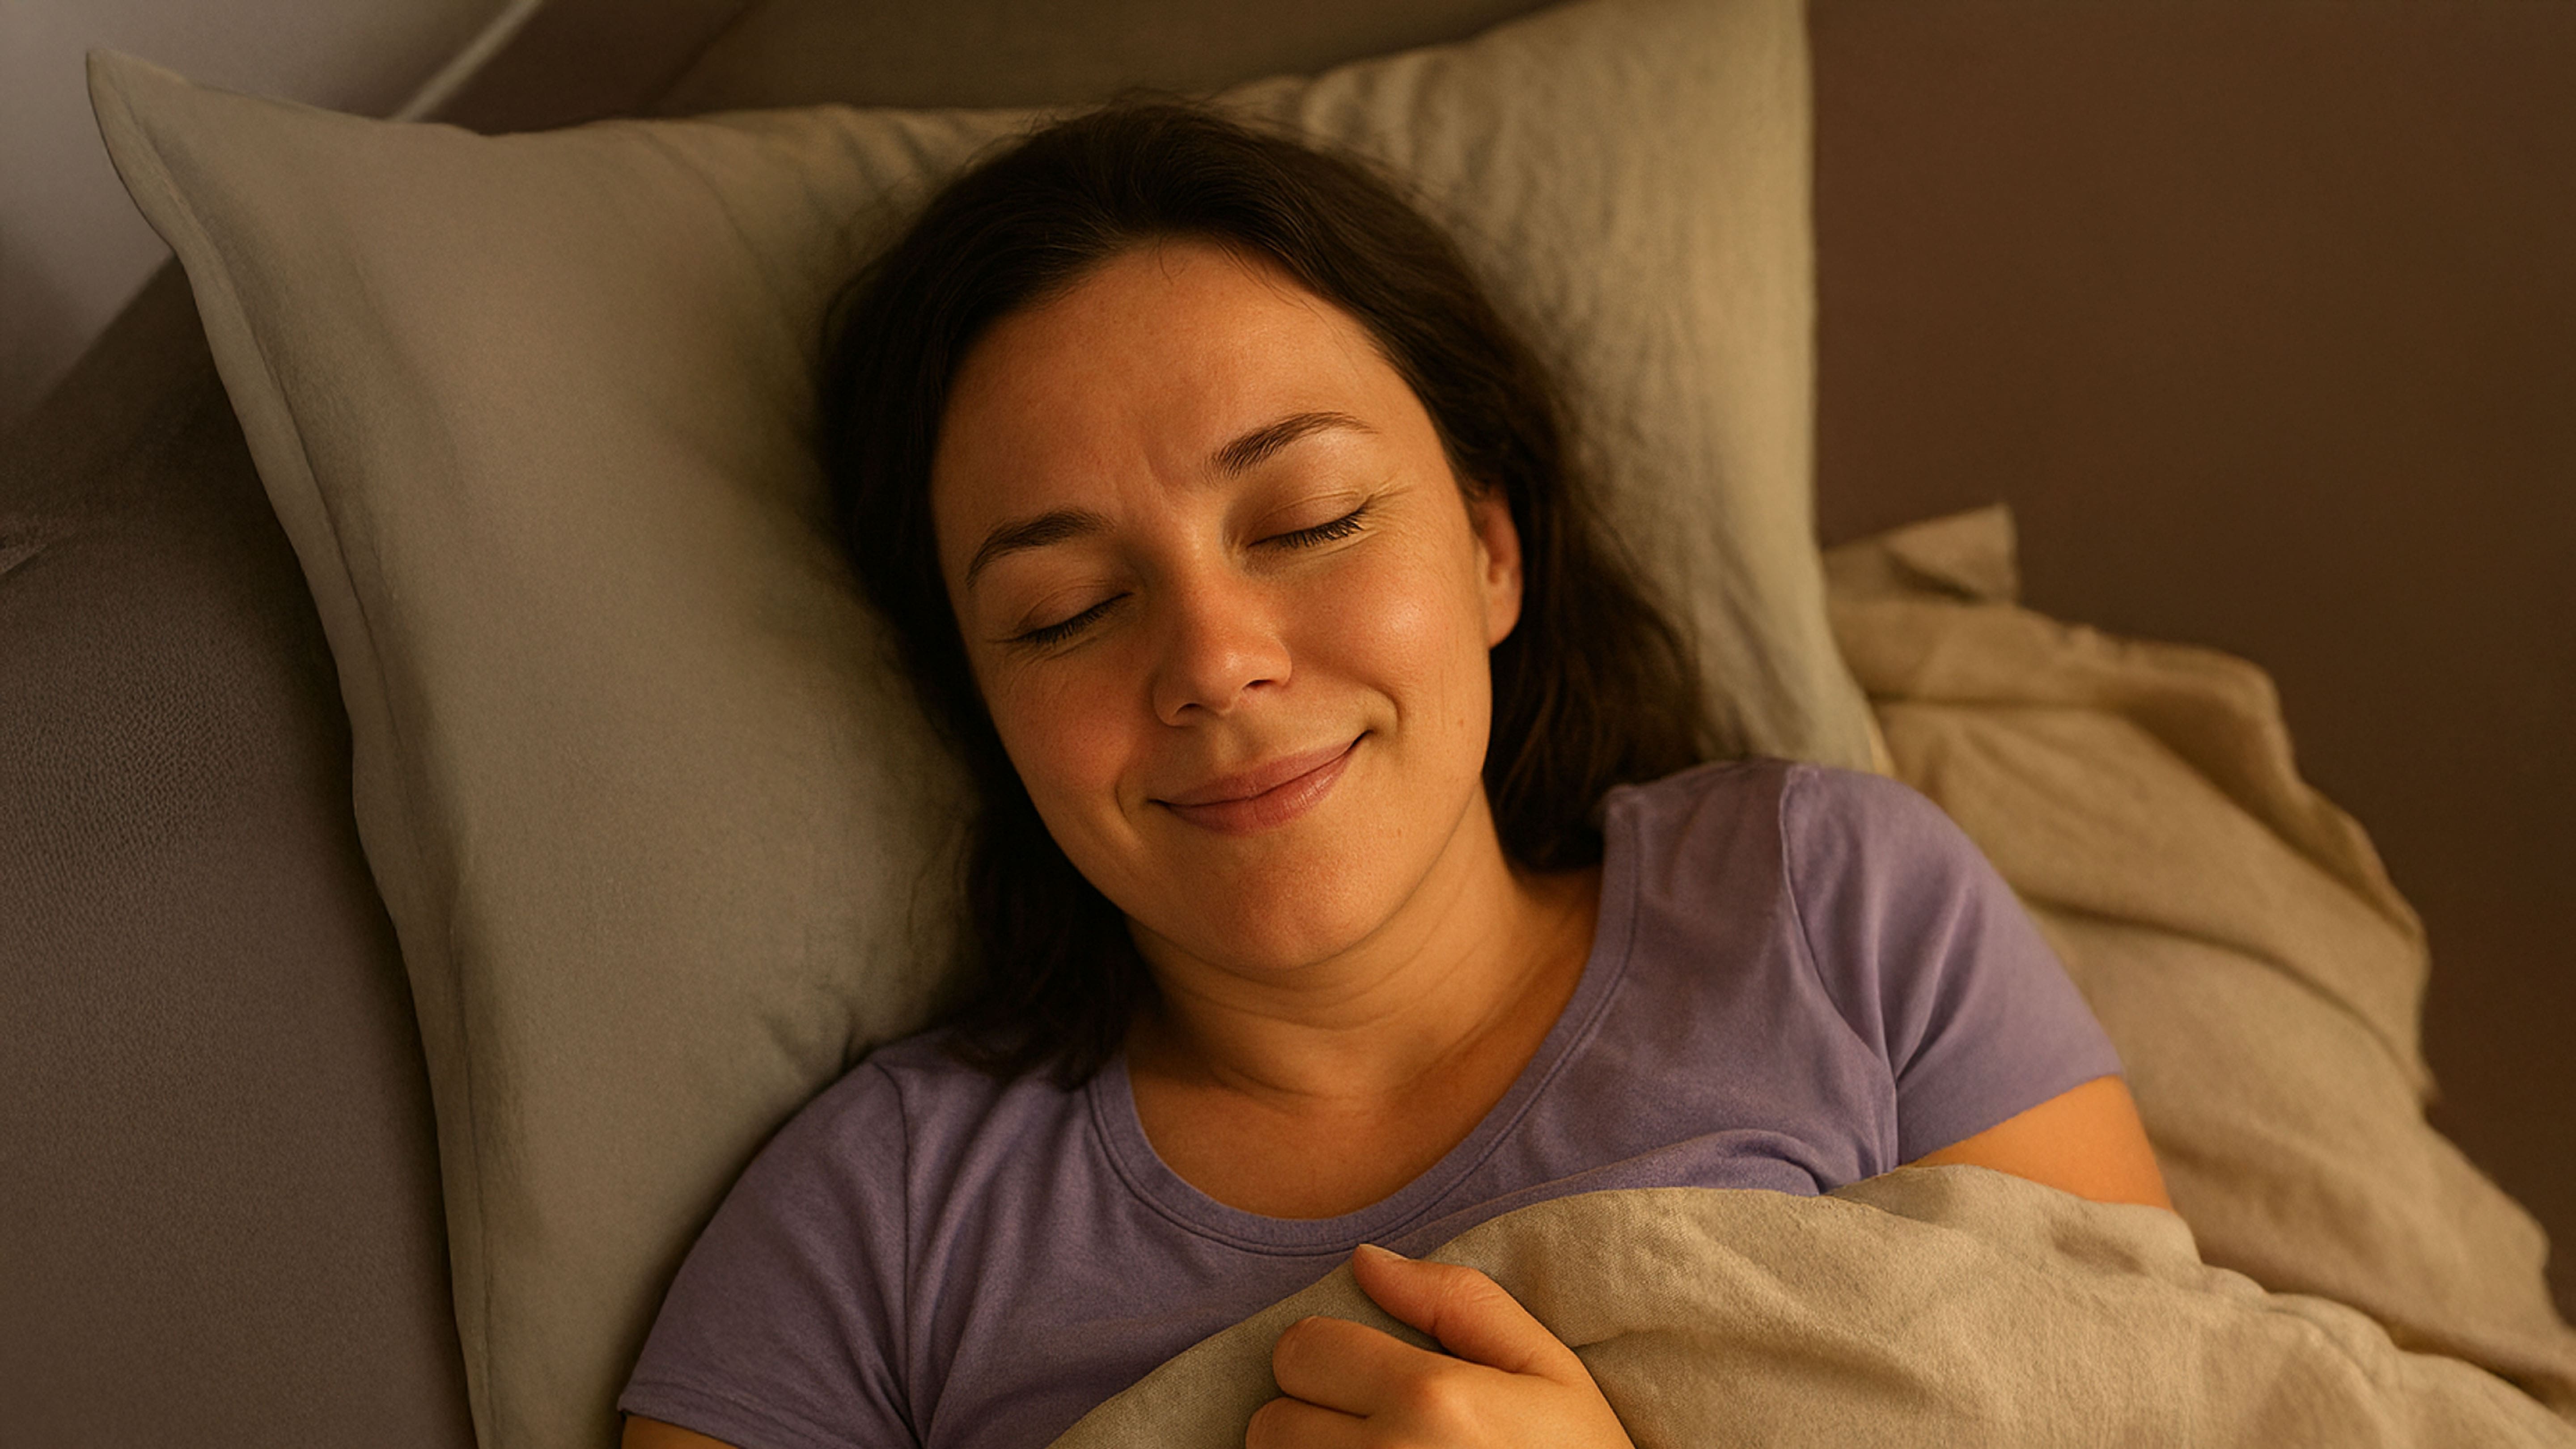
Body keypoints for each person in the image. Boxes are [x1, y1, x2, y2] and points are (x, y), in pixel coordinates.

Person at [618, 101, 2168, 1449]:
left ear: (1494, 551)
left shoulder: (1833, 909)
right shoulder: (868, 1239)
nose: (1215, 661)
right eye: (1068, 612)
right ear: (980, 706)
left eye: (1304, 521)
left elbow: (2181, 1404)